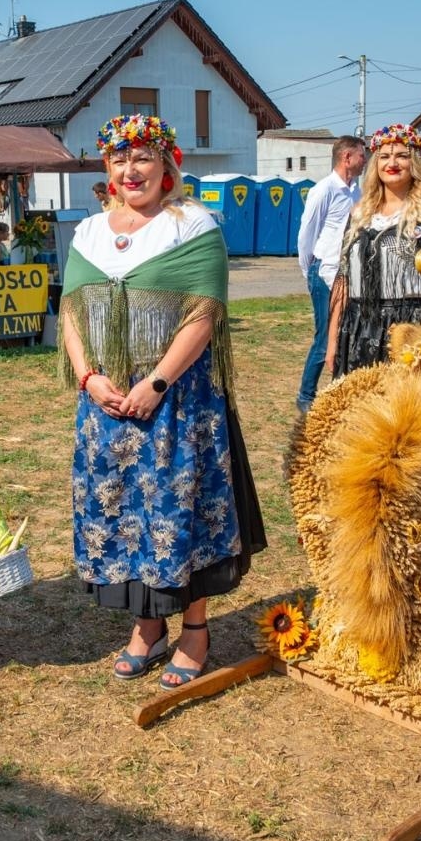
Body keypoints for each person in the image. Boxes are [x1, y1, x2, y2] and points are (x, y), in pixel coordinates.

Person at [59, 114, 266, 690]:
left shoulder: (192, 225)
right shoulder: (90, 233)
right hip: (105, 399)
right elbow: (72, 311)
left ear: (167, 166)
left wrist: (158, 383)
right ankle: (147, 626)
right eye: (120, 160)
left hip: (178, 398)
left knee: (183, 511)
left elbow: (204, 312)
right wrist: (88, 377)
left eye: (144, 158)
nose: (132, 169)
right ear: (107, 169)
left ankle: (195, 629)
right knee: (125, 513)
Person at [325, 124, 421, 377]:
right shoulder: (359, 213)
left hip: (410, 329)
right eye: (384, 156)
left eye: (402, 156)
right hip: (358, 328)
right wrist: (331, 343)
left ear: (415, 162)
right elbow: (343, 279)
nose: (392, 163)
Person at [294, 135, 365, 412]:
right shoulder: (324, 190)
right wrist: (309, 271)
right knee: (325, 337)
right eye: (361, 155)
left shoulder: (357, 193)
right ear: (347, 157)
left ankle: (342, 390)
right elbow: (306, 234)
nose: (365, 160)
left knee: (347, 334)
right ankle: (305, 396)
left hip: (347, 273)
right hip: (323, 271)